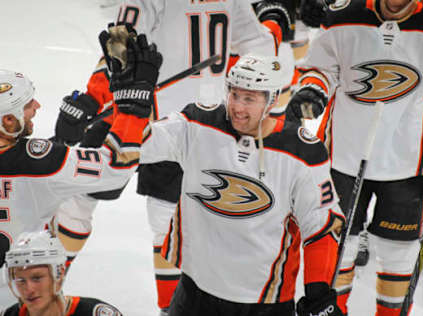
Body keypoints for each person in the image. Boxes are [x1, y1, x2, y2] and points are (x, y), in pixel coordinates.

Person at [53, 1, 296, 314]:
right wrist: (273, 24)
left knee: (161, 219)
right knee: (94, 198)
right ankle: (47, 289)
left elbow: (119, 41)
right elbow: (259, 45)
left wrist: (94, 94)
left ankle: (170, 309)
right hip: (180, 120)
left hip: (168, 120)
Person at [287, 0, 423, 314]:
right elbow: (318, 68)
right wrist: (313, 89)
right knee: (338, 247)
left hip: (407, 162)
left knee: (400, 254)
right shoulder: (343, 15)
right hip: (342, 156)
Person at [139, 54, 345, 316]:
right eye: (234, 95)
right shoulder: (198, 124)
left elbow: (322, 225)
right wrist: (132, 108)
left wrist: (318, 293)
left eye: (249, 99)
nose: (237, 107)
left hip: (263, 303)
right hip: (194, 292)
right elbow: (141, 146)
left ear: (270, 100)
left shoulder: (303, 153)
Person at [0, 26, 162, 307]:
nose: (37, 105)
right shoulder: (39, 163)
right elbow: (114, 166)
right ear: (8, 121)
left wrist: (61, 140)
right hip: (21, 301)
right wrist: (131, 111)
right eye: (27, 105)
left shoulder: (35, 162)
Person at [1, 230, 123, 316]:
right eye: (20, 280)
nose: (29, 289)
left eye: (37, 278)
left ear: (58, 274)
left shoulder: (94, 313)